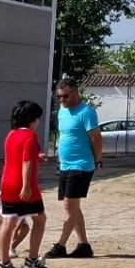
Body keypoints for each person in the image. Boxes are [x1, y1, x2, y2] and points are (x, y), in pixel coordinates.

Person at [45, 78, 103, 258]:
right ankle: (84, 245)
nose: (62, 100)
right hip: (65, 165)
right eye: (59, 97)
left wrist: (97, 159)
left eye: (65, 96)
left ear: (75, 93)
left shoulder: (86, 112)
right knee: (73, 206)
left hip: (81, 165)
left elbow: (96, 138)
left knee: (69, 207)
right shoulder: (62, 111)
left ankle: (60, 246)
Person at [0, 100, 48, 268]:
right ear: (32, 119)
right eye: (38, 118)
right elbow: (26, 162)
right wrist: (26, 186)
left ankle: (4, 263)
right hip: (23, 185)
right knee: (40, 219)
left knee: (7, 223)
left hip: (7, 184)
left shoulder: (11, 134)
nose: (38, 122)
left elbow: (17, 157)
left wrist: (37, 156)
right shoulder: (30, 136)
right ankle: (32, 259)